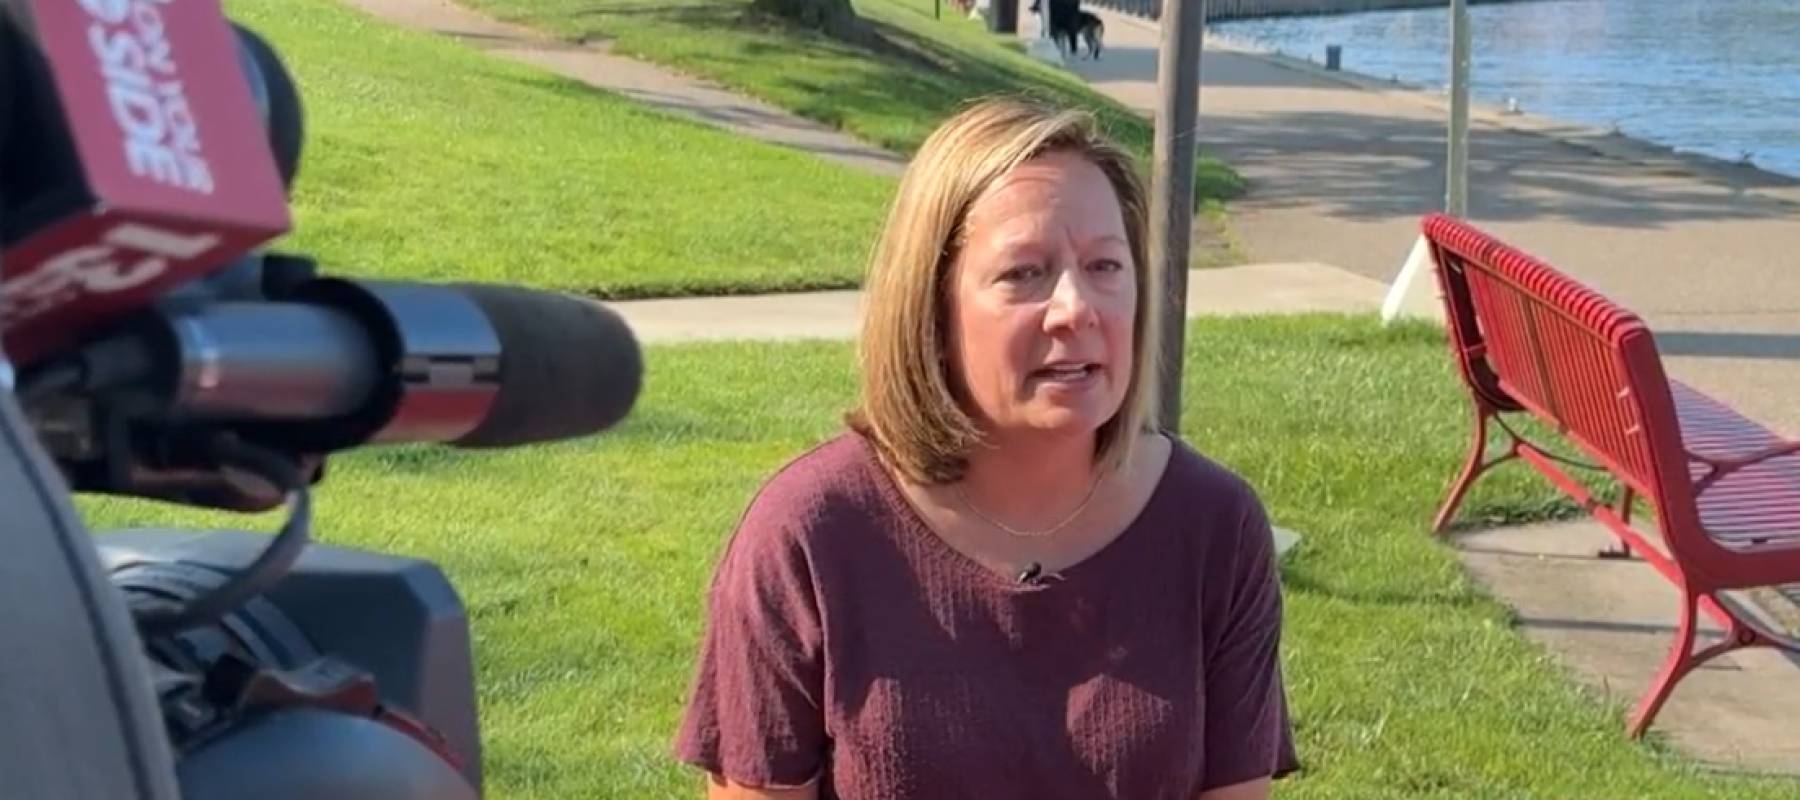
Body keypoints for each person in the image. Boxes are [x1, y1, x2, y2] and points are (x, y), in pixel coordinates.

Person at [673, 96, 1299, 800]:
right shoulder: (807, 534)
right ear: (933, 309)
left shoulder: (1214, 527)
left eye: (1105, 265)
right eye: (1024, 273)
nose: (1076, 308)